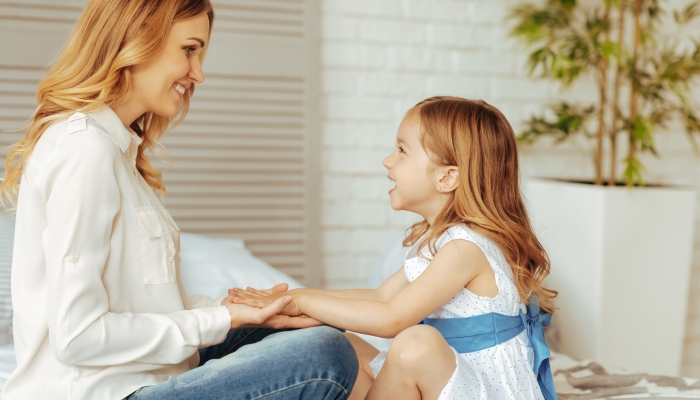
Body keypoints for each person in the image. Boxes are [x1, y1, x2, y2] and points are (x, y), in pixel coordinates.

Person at [0, 0, 358, 399]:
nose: (199, 74)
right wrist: (221, 318)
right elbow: (79, 336)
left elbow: (142, 303)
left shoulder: (116, 151)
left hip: (144, 376)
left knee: (313, 323)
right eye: (190, 50)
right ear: (135, 37)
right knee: (324, 353)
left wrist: (241, 310)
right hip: (104, 391)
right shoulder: (84, 149)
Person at [230, 97, 560, 400]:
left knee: (415, 345)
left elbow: (392, 318)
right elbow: (381, 298)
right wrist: (293, 300)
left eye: (402, 150)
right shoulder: (442, 240)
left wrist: (303, 301)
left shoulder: (466, 248)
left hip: (487, 391)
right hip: (455, 380)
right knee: (338, 345)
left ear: (446, 178)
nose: (388, 161)